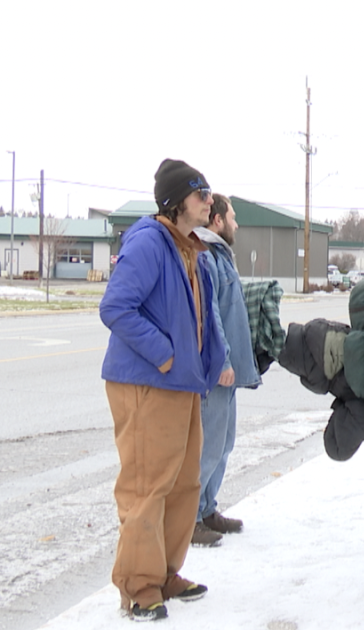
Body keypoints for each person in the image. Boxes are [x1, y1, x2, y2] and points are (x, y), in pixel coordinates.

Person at [98, 159, 226, 621]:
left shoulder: (193, 248)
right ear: (175, 203)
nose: (209, 200)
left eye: (209, 193)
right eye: (200, 193)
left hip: (182, 385)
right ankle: (138, 586)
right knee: (147, 487)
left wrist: (212, 362)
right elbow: (116, 307)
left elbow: (204, 316)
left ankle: (167, 572)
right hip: (146, 381)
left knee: (183, 484)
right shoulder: (149, 243)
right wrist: (166, 354)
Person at [191, 194, 262, 546]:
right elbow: (210, 313)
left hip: (229, 369)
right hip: (216, 371)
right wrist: (221, 361)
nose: (236, 224)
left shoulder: (219, 253)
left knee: (224, 443)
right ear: (216, 220)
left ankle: (207, 509)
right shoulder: (205, 255)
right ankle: (188, 520)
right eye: (232, 217)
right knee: (208, 446)